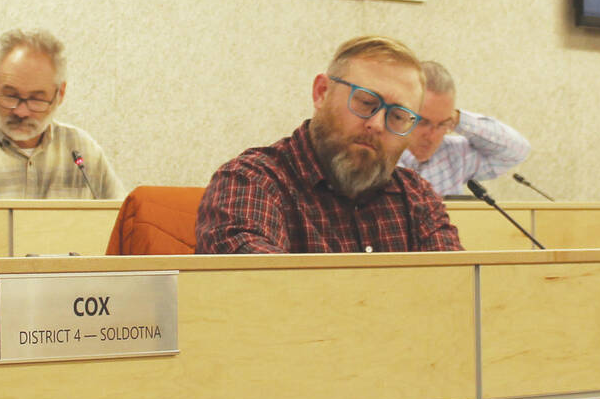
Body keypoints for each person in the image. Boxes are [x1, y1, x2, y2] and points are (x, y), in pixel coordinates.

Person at [195, 35, 462, 254]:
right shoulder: (252, 180)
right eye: (366, 103)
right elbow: (257, 288)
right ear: (322, 93)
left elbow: (457, 291)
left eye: (397, 117)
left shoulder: (417, 197)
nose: (378, 124)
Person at [0, 29, 122, 199]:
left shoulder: (82, 152)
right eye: (10, 95)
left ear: (60, 94)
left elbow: (123, 226)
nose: (21, 111)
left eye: (36, 100)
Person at [397, 61, 530, 195]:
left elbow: (517, 150)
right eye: (423, 122)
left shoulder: (453, 155)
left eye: (443, 124)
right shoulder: (381, 157)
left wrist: (458, 119)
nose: (432, 136)